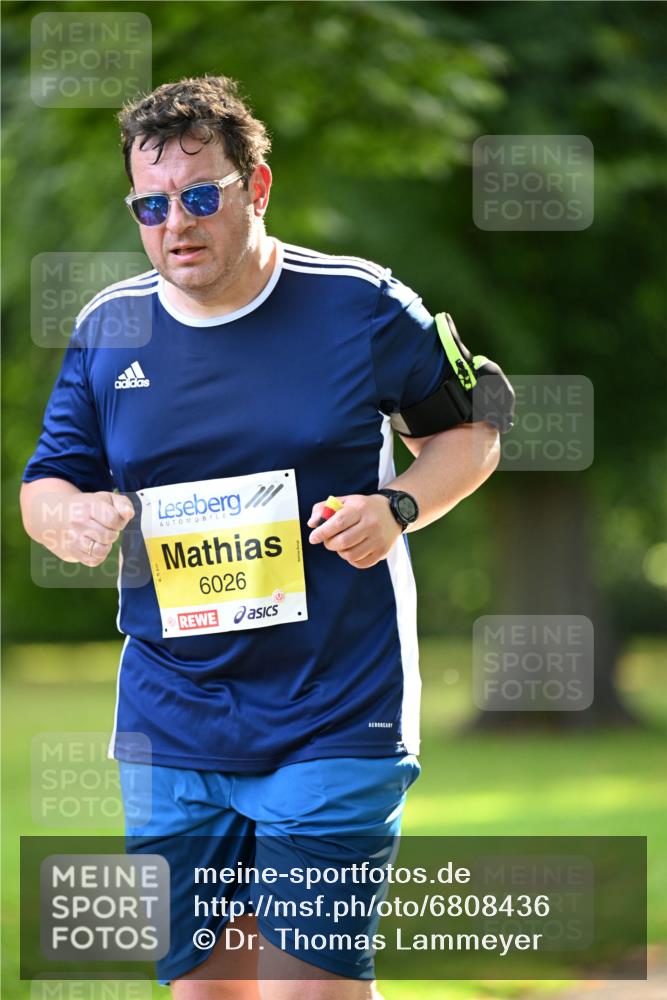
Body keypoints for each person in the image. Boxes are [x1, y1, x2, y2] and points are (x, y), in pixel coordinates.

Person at [20, 76, 513, 1000]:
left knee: (306, 990)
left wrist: (398, 507)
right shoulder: (108, 327)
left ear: (258, 187)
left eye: (202, 194)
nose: (177, 222)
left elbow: (474, 427)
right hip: (172, 715)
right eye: (152, 204)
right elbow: (46, 483)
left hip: (336, 703)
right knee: (207, 991)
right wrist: (68, 517)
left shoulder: (358, 305)